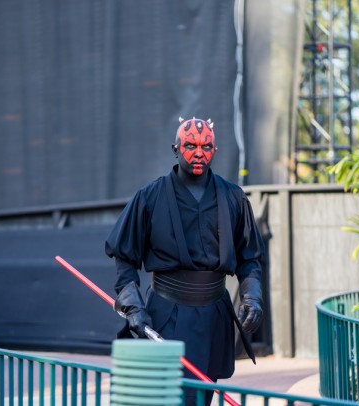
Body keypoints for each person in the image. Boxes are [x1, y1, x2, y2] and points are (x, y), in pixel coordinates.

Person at [105, 117, 266, 405]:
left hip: (214, 315)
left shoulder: (233, 197)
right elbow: (124, 258)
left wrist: (252, 297)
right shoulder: (149, 197)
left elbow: (250, 258)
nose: (198, 152)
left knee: (202, 397)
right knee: (166, 398)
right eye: (190, 145)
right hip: (166, 313)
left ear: (215, 150)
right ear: (176, 148)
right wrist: (133, 307)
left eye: (206, 146)